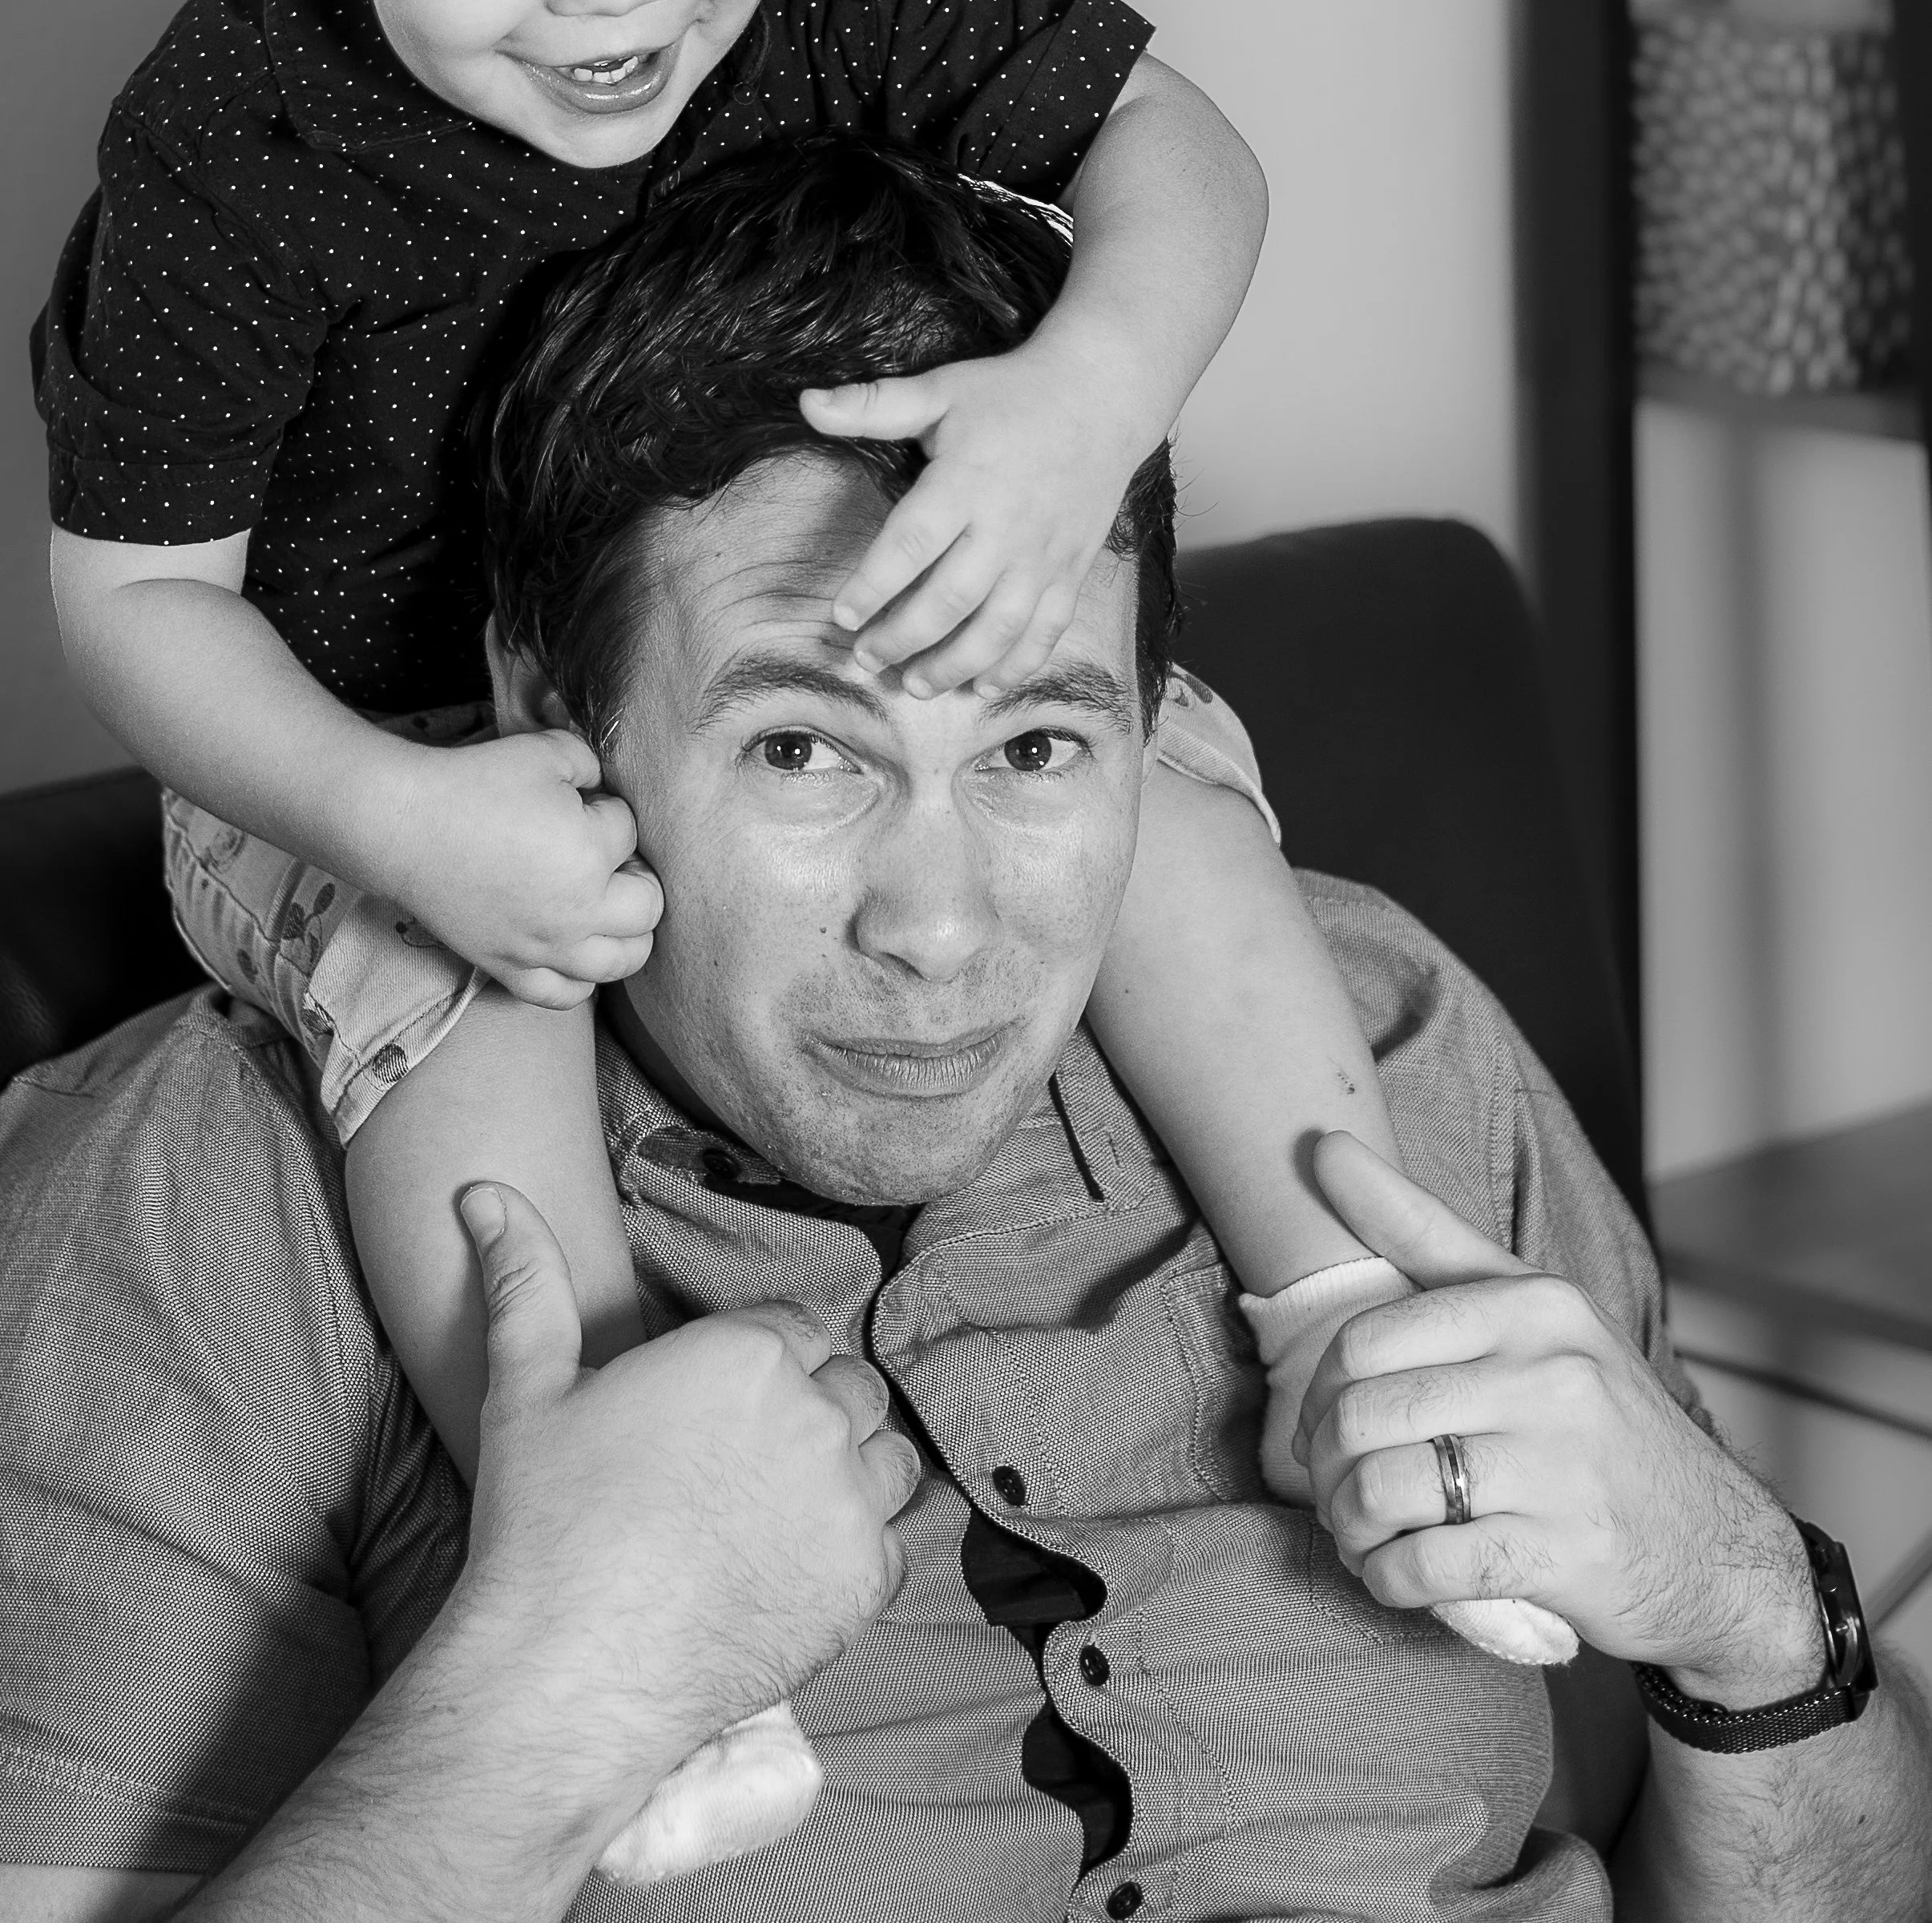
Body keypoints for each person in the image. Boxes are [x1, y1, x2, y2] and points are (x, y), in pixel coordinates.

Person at [30, 0, 1425, 1835]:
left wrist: (1083, 397)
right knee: (473, 1005)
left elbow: (1181, 158)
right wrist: (392, 818)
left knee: (1187, 834)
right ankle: (621, 1589)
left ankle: (1362, 1307)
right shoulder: (233, 147)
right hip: (402, 733)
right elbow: (129, 601)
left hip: (806, 659)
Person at [3, 143, 1927, 1921]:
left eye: (1031, 744)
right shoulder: (199, 1224)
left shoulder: (1382, 1048)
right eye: (800, 748)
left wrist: (1746, 1609)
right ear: (549, 711)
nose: (939, 929)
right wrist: (560, 1690)